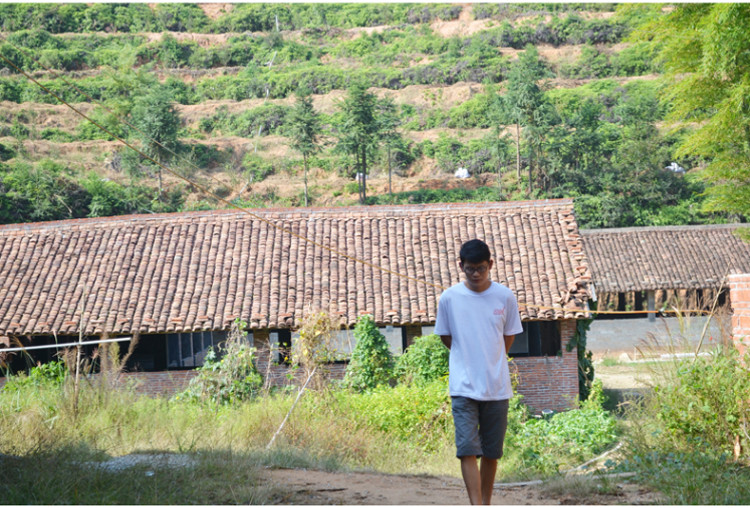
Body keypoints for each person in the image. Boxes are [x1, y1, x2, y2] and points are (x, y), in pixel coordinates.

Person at [434, 239, 523, 505]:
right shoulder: (449, 298)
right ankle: (476, 505)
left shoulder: (504, 297)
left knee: (492, 452)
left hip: (496, 386)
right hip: (463, 386)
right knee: (467, 450)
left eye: (481, 268)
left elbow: (508, 338)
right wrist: (468, 357)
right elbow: (446, 337)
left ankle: (486, 502)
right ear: (460, 266)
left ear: (490, 265)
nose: (475, 274)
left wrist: (490, 358)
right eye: (470, 268)